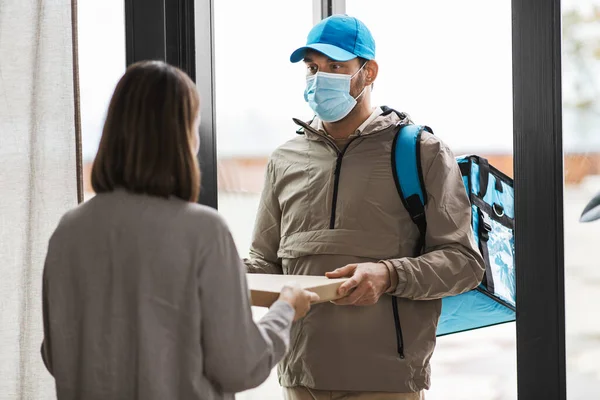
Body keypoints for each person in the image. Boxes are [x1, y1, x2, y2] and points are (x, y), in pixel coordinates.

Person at [40, 60, 319, 400]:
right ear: (180, 136)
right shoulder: (203, 231)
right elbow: (239, 365)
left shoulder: (70, 230)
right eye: (193, 125)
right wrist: (286, 309)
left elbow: (56, 354)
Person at [244, 14, 486, 400]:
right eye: (312, 67)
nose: (318, 78)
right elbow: (263, 264)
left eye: (336, 66)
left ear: (368, 72)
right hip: (300, 376)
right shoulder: (284, 159)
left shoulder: (420, 152)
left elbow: (464, 263)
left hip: (386, 380)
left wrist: (387, 274)